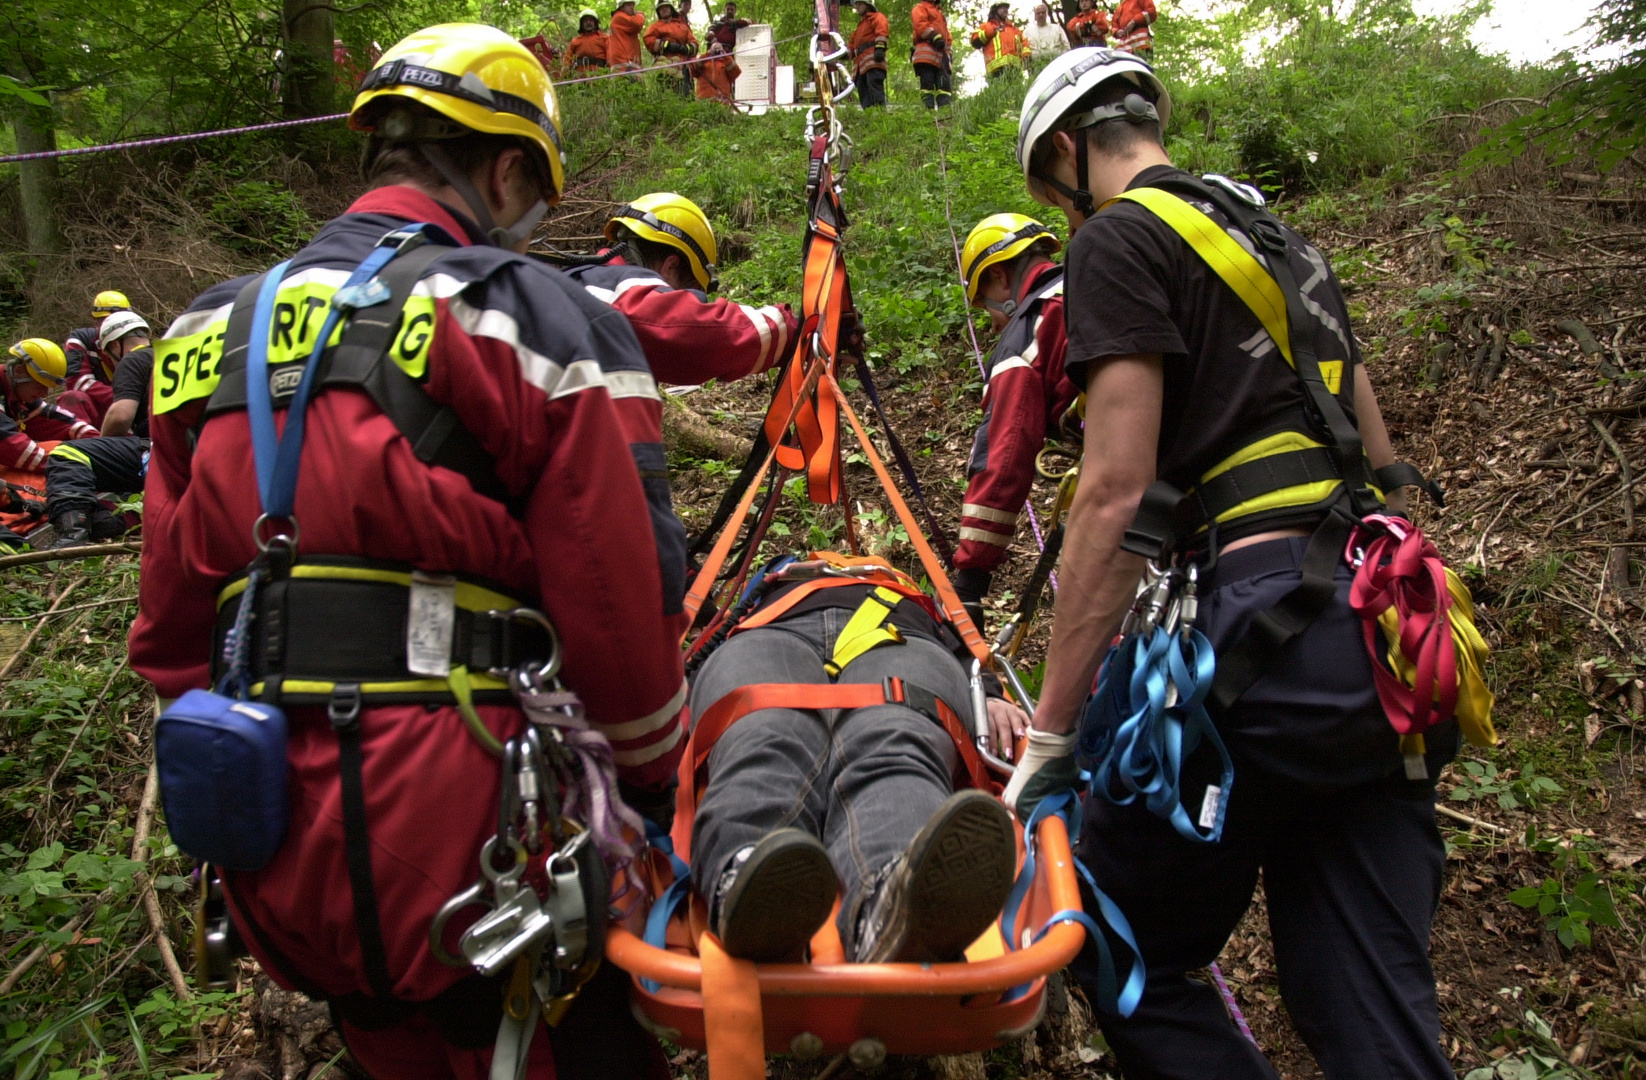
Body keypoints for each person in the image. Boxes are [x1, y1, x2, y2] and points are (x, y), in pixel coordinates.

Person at [130, 24, 688, 1080]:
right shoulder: (530, 314)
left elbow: (170, 625)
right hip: (468, 805)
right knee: (554, 1039)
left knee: (382, 1037)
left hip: (263, 811)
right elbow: (616, 589)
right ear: (508, 167)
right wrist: (648, 780)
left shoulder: (201, 332)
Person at [1006, 49, 1454, 1080]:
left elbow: (1115, 491)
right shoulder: (1280, 241)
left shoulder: (1118, 240)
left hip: (1254, 642)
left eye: (1050, 195)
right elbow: (1373, 453)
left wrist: (1053, 728)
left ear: (1068, 154)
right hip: (1383, 644)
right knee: (1366, 998)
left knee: (1117, 939)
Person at [687, 552, 1023, 964]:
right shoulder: (770, 588)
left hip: (901, 633)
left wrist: (987, 693)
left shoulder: (915, 600)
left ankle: (893, 901)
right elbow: (707, 641)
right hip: (772, 630)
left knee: (897, 735)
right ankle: (749, 879)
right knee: (764, 731)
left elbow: (966, 652)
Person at [951, 214, 1078, 631]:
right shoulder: (1093, 283)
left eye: (985, 303)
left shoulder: (1030, 325)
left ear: (1001, 277)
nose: (992, 321)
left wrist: (970, 579)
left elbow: (1004, 456)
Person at [561, 193, 796, 390]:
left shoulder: (584, 282)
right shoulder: (614, 297)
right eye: (688, 291)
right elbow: (695, 333)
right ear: (671, 267)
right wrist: (793, 332)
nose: (682, 300)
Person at [45, 311, 154, 547]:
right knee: (119, 503)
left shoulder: (134, 360)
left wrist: (105, 447)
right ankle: (107, 524)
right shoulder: (173, 358)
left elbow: (121, 414)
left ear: (116, 345)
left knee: (68, 454)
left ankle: (71, 538)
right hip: (192, 453)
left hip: (156, 452)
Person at [1, 339, 99, 473]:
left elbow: (58, 419)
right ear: (19, 372)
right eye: (41, 386)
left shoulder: (16, 391)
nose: (44, 394)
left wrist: (100, 444)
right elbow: (12, 447)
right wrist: (71, 465)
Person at [60, 289, 132, 428]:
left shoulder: (136, 343)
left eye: (119, 322)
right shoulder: (82, 340)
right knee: (72, 397)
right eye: (107, 321)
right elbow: (75, 381)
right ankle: (82, 444)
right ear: (96, 322)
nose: (113, 327)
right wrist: (123, 398)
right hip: (97, 408)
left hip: (129, 412)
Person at [645, 1, 699, 95]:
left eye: (666, 7)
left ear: (671, 9)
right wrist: (666, 45)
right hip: (664, 64)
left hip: (683, 66)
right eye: (661, 8)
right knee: (665, 94)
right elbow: (648, 40)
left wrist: (685, 48)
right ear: (658, 11)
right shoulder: (655, 27)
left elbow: (694, 43)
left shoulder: (682, 26)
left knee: (685, 95)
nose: (664, 9)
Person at [971, 2, 1031, 80]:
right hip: (995, 70)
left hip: (1015, 69)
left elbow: (1024, 42)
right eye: (1002, 8)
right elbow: (974, 40)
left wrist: (1026, 55)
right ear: (995, 10)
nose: (1005, 10)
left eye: (1006, 8)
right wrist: (990, 32)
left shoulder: (1014, 29)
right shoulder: (986, 26)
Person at [910, 0, 953, 108]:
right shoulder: (920, 8)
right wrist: (934, 36)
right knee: (927, 83)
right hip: (926, 51)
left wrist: (948, 51)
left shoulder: (939, 12)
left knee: (944, 85)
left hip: (941, 53)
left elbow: (946, 34)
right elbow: (920, 24)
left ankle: (945, 111)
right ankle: (927, 111)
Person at [849, 0, 890, 109]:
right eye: (856, 5)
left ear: (867, 4)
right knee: (863, 91)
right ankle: (870, 118)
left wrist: (880, 48)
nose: (857, 7)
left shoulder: (877, 17)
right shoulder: (859, 27)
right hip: (860, 65)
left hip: (873, 60)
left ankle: (881, 116)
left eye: (859, 4)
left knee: (875, 87)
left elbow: (882, 32)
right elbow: (851, 47)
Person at [609, 0, 648, 72]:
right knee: (627, 82)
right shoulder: (619, 16)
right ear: (621, 7)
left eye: (633, 5)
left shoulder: (621, 18)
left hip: (627, 62)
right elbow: (637, 23)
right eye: (629, 5)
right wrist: (640, 15)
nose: (632, 7)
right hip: (624, 63)